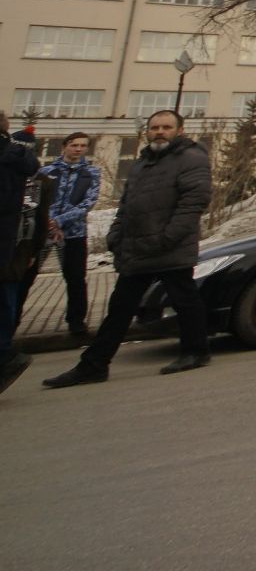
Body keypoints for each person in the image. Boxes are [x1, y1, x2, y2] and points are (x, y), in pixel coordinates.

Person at [44, 111, 213, 387]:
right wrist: (115, 235)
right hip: (136, 247)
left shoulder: (192, 159)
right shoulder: (143, 162)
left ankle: (195, 351)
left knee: (185, 300)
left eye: (166, 127)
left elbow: (194, 202)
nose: (159, 131)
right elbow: (127, 204)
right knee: (120, 307)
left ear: (180, 131)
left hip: (169, 247)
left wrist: (166, 238)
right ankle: (94, 365)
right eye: (155, 127)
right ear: (147, 131)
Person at [1, 125, 53, 395]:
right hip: (11, 246)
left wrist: (34, 250)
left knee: (9, 298)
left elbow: (34, 214)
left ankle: (6, 354)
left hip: (16, 246)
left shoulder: (17, 167)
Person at [40, 132, 102, 340]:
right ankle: (12, 320)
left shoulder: (91, 173)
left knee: (75, 278)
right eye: (74, 145)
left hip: (74, 233)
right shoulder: (47, 172)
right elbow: (35, 199)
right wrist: (48, 221)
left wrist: (60, 221)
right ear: (64, 146)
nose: (78, 149)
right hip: (43, 233)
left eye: (83, 146)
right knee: (26, 277)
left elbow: (88, 203)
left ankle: (76, 321)